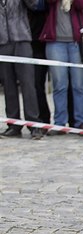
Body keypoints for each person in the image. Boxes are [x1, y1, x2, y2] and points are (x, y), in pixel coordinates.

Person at [40, 0, 83, 133]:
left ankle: (81, 122)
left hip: (76, 42)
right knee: (60, 85)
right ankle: (60, 123)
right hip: (55, 42)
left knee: (79, 85)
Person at [0, 0, 43, 139]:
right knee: (8, 85)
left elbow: (34, 4)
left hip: (21, 40)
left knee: (28, 84)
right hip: (3, 42)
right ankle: (13, 125)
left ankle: (34, 124)